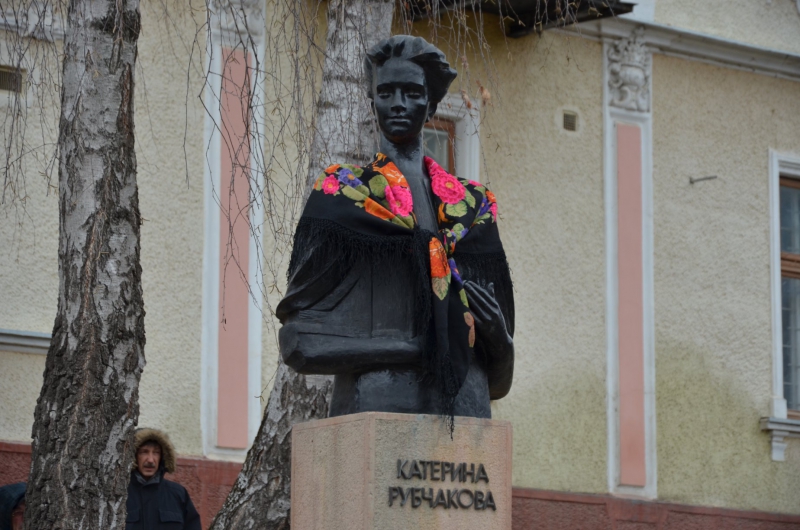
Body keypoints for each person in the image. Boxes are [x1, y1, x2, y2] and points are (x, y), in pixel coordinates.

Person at [277, 35, 514, 426]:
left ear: (433, 103)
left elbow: (498, 378)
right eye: (386, 92)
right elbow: (299, 342)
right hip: (376, 401)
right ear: (372, 103)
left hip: (466, 410)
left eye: (412, 92)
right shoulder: (343, 197)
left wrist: (500, 344)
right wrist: (418, 347)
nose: (399, 104)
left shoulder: (473, 208)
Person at [126, 428, 201, 530]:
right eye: (144, 452)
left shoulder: (178, 494)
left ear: (162, 457)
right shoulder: (120, 494)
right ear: (133, 455)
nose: (151, 460)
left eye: (156, 453)